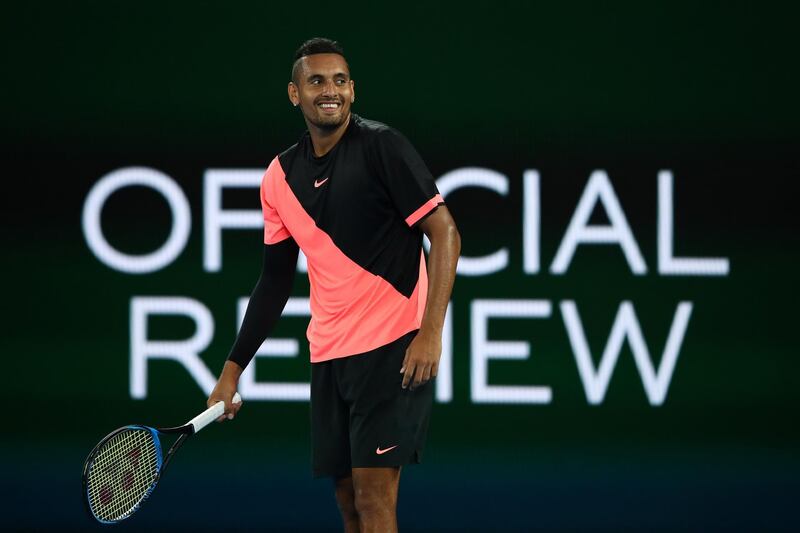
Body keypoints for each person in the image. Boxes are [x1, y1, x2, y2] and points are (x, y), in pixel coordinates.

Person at [207, 37, 460, 532]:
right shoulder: (279, 177)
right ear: (294, 93)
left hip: (393, 346)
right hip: (329, 355)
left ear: (352, 91)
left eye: (340, 81)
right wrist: (232, 369)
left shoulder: (383, 146)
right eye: (317, 81)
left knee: (374, 496)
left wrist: (430, 333)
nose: (330, 91)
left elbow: (445, 232)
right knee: (347, 501)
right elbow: (275, 279)